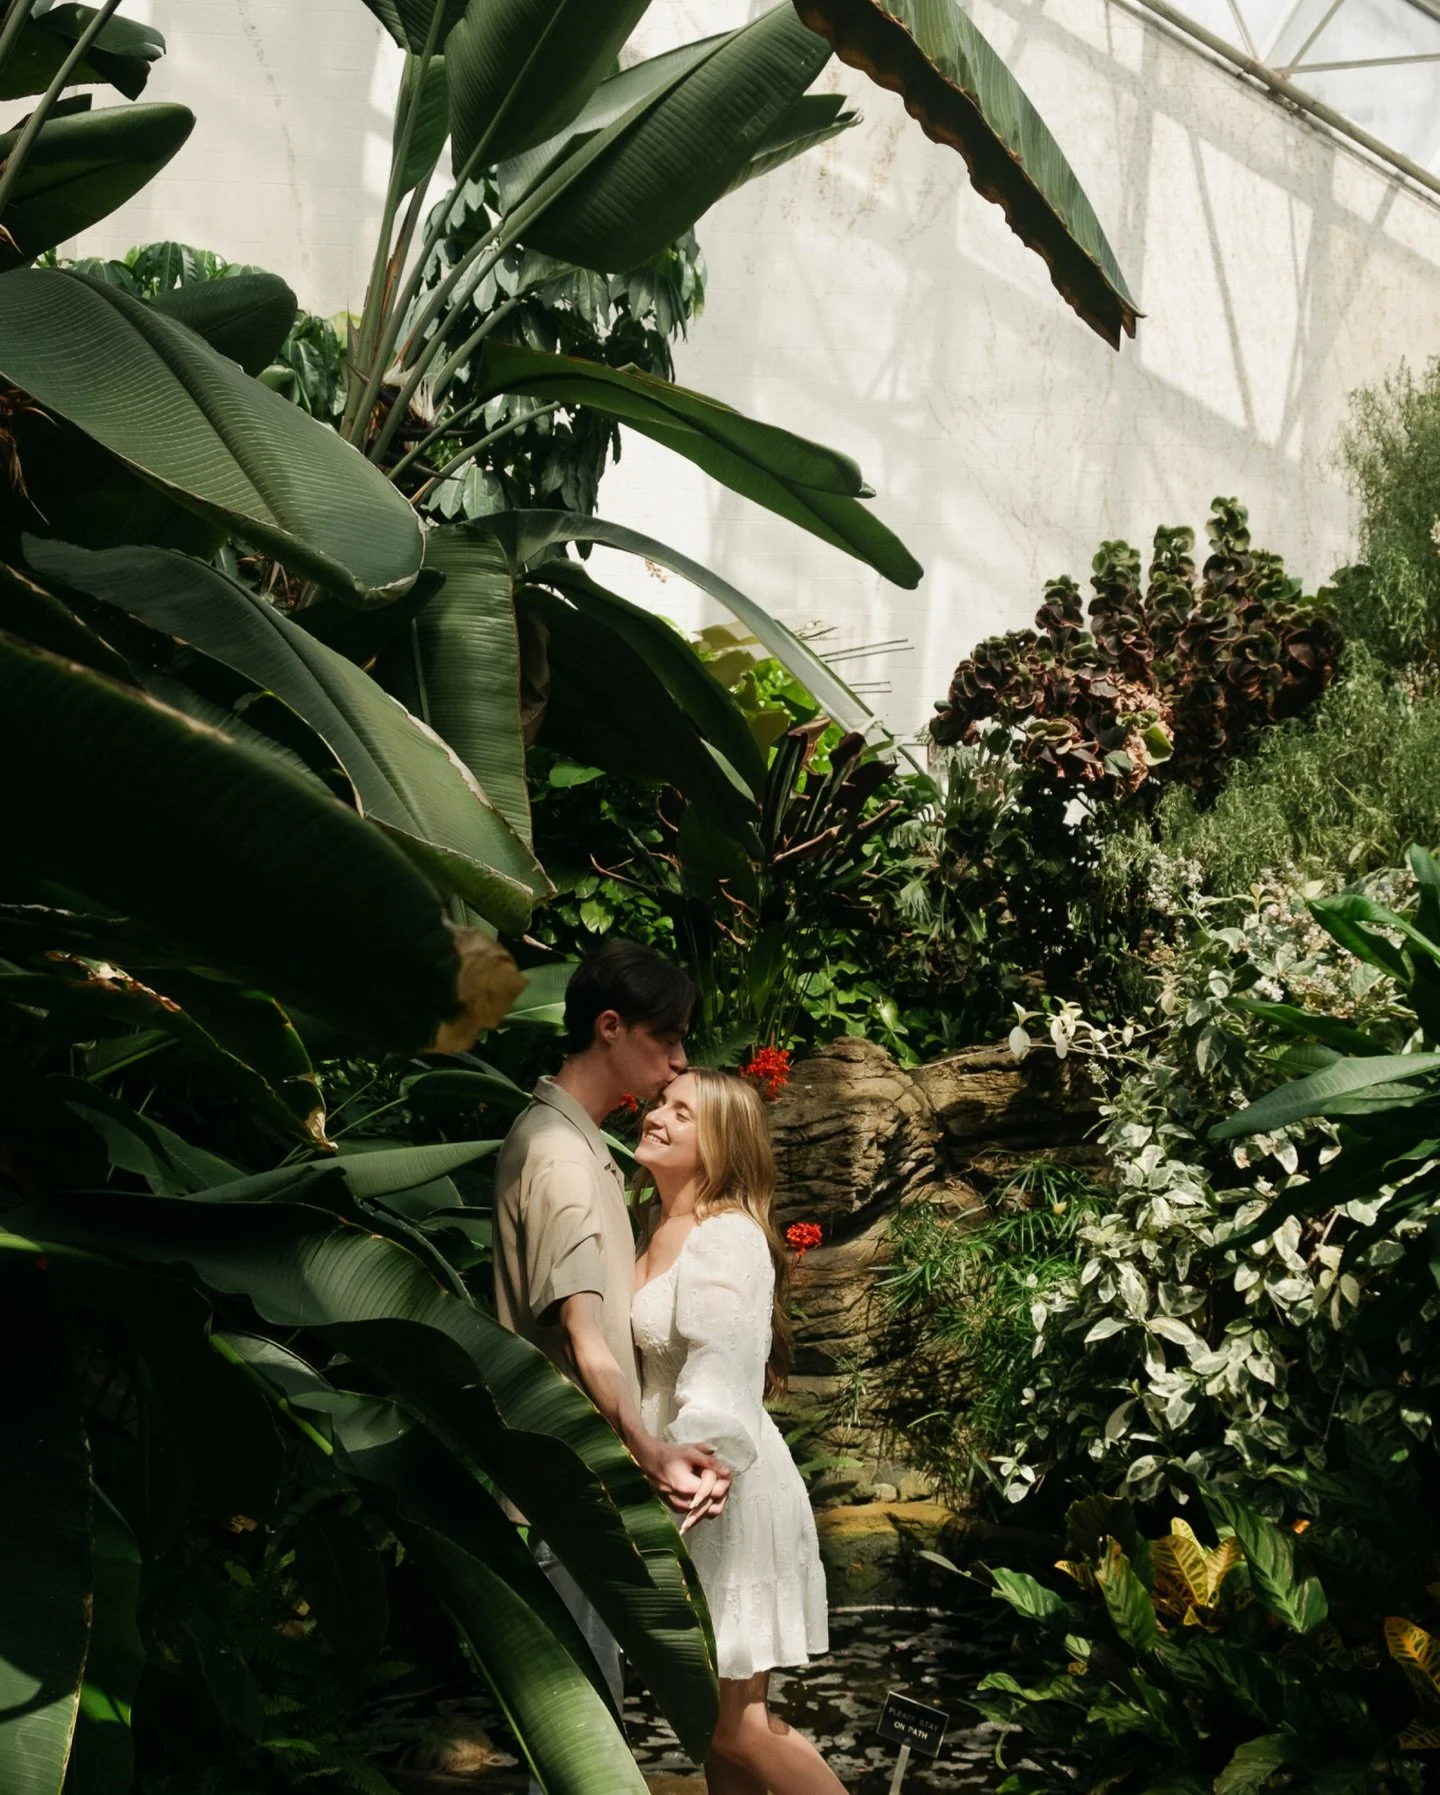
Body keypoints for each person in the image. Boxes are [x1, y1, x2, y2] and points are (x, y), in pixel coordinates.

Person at [493, 940, 729, 1739]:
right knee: (582, 1743)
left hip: (575, 1493)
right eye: (665, 1039)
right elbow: (582, 1333)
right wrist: (649, 1450)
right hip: (568, 1500)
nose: (678, 1059)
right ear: (609, 1028)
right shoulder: (558, 1155)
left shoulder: (578, 1144)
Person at [633, 1067, 845, 1795]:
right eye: (662, 1102)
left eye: (682, 1112)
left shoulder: (724, 1237)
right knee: (712, 1733)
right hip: (683, 1474)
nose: (658, 1114)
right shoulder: (655, 1227)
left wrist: (706, 1456)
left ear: (720, 1144)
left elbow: (724, 1359)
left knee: (738, 1724)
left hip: (722, 1484)